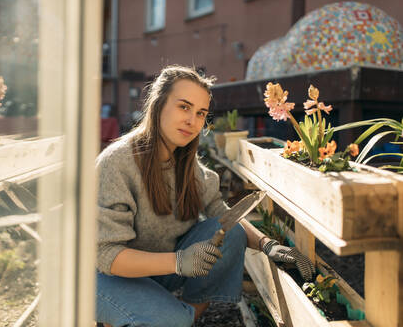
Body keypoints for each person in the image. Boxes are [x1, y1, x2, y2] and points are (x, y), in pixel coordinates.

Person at [96, 65, 314, 327]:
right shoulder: (117, 163)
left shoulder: (190, 170)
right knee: (169, 319)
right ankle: (155, 317)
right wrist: (178, 262)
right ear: (158, 105)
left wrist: (268, 245)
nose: (192, 120)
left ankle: (179, 318)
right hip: (102, 277)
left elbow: (224, 215)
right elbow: (107, 255)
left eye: (201, 113)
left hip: (156, 270)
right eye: (184, 107)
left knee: (231, 232)